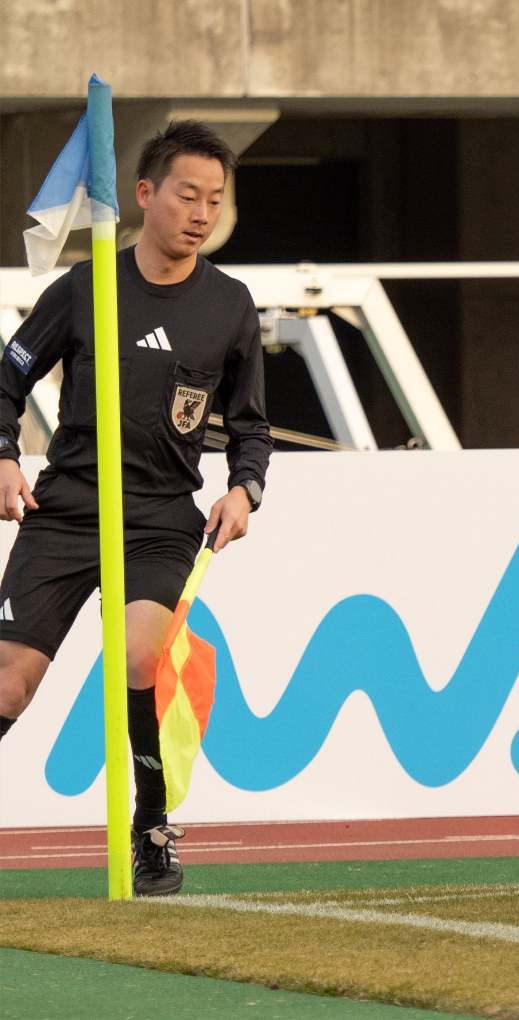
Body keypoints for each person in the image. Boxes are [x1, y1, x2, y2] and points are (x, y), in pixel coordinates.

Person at [0, 121, 271, 896]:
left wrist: (244, 489)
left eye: (214, 199)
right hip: (66, 512)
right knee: (9, 686)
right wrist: (5, 456)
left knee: (142, 660)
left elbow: (250, 426)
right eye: (187, 195)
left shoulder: (229, 304)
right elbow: (6, 380)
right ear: (144, 195)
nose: (201, 213)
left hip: (159, 521)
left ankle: (151, 827)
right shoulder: (85, 288)